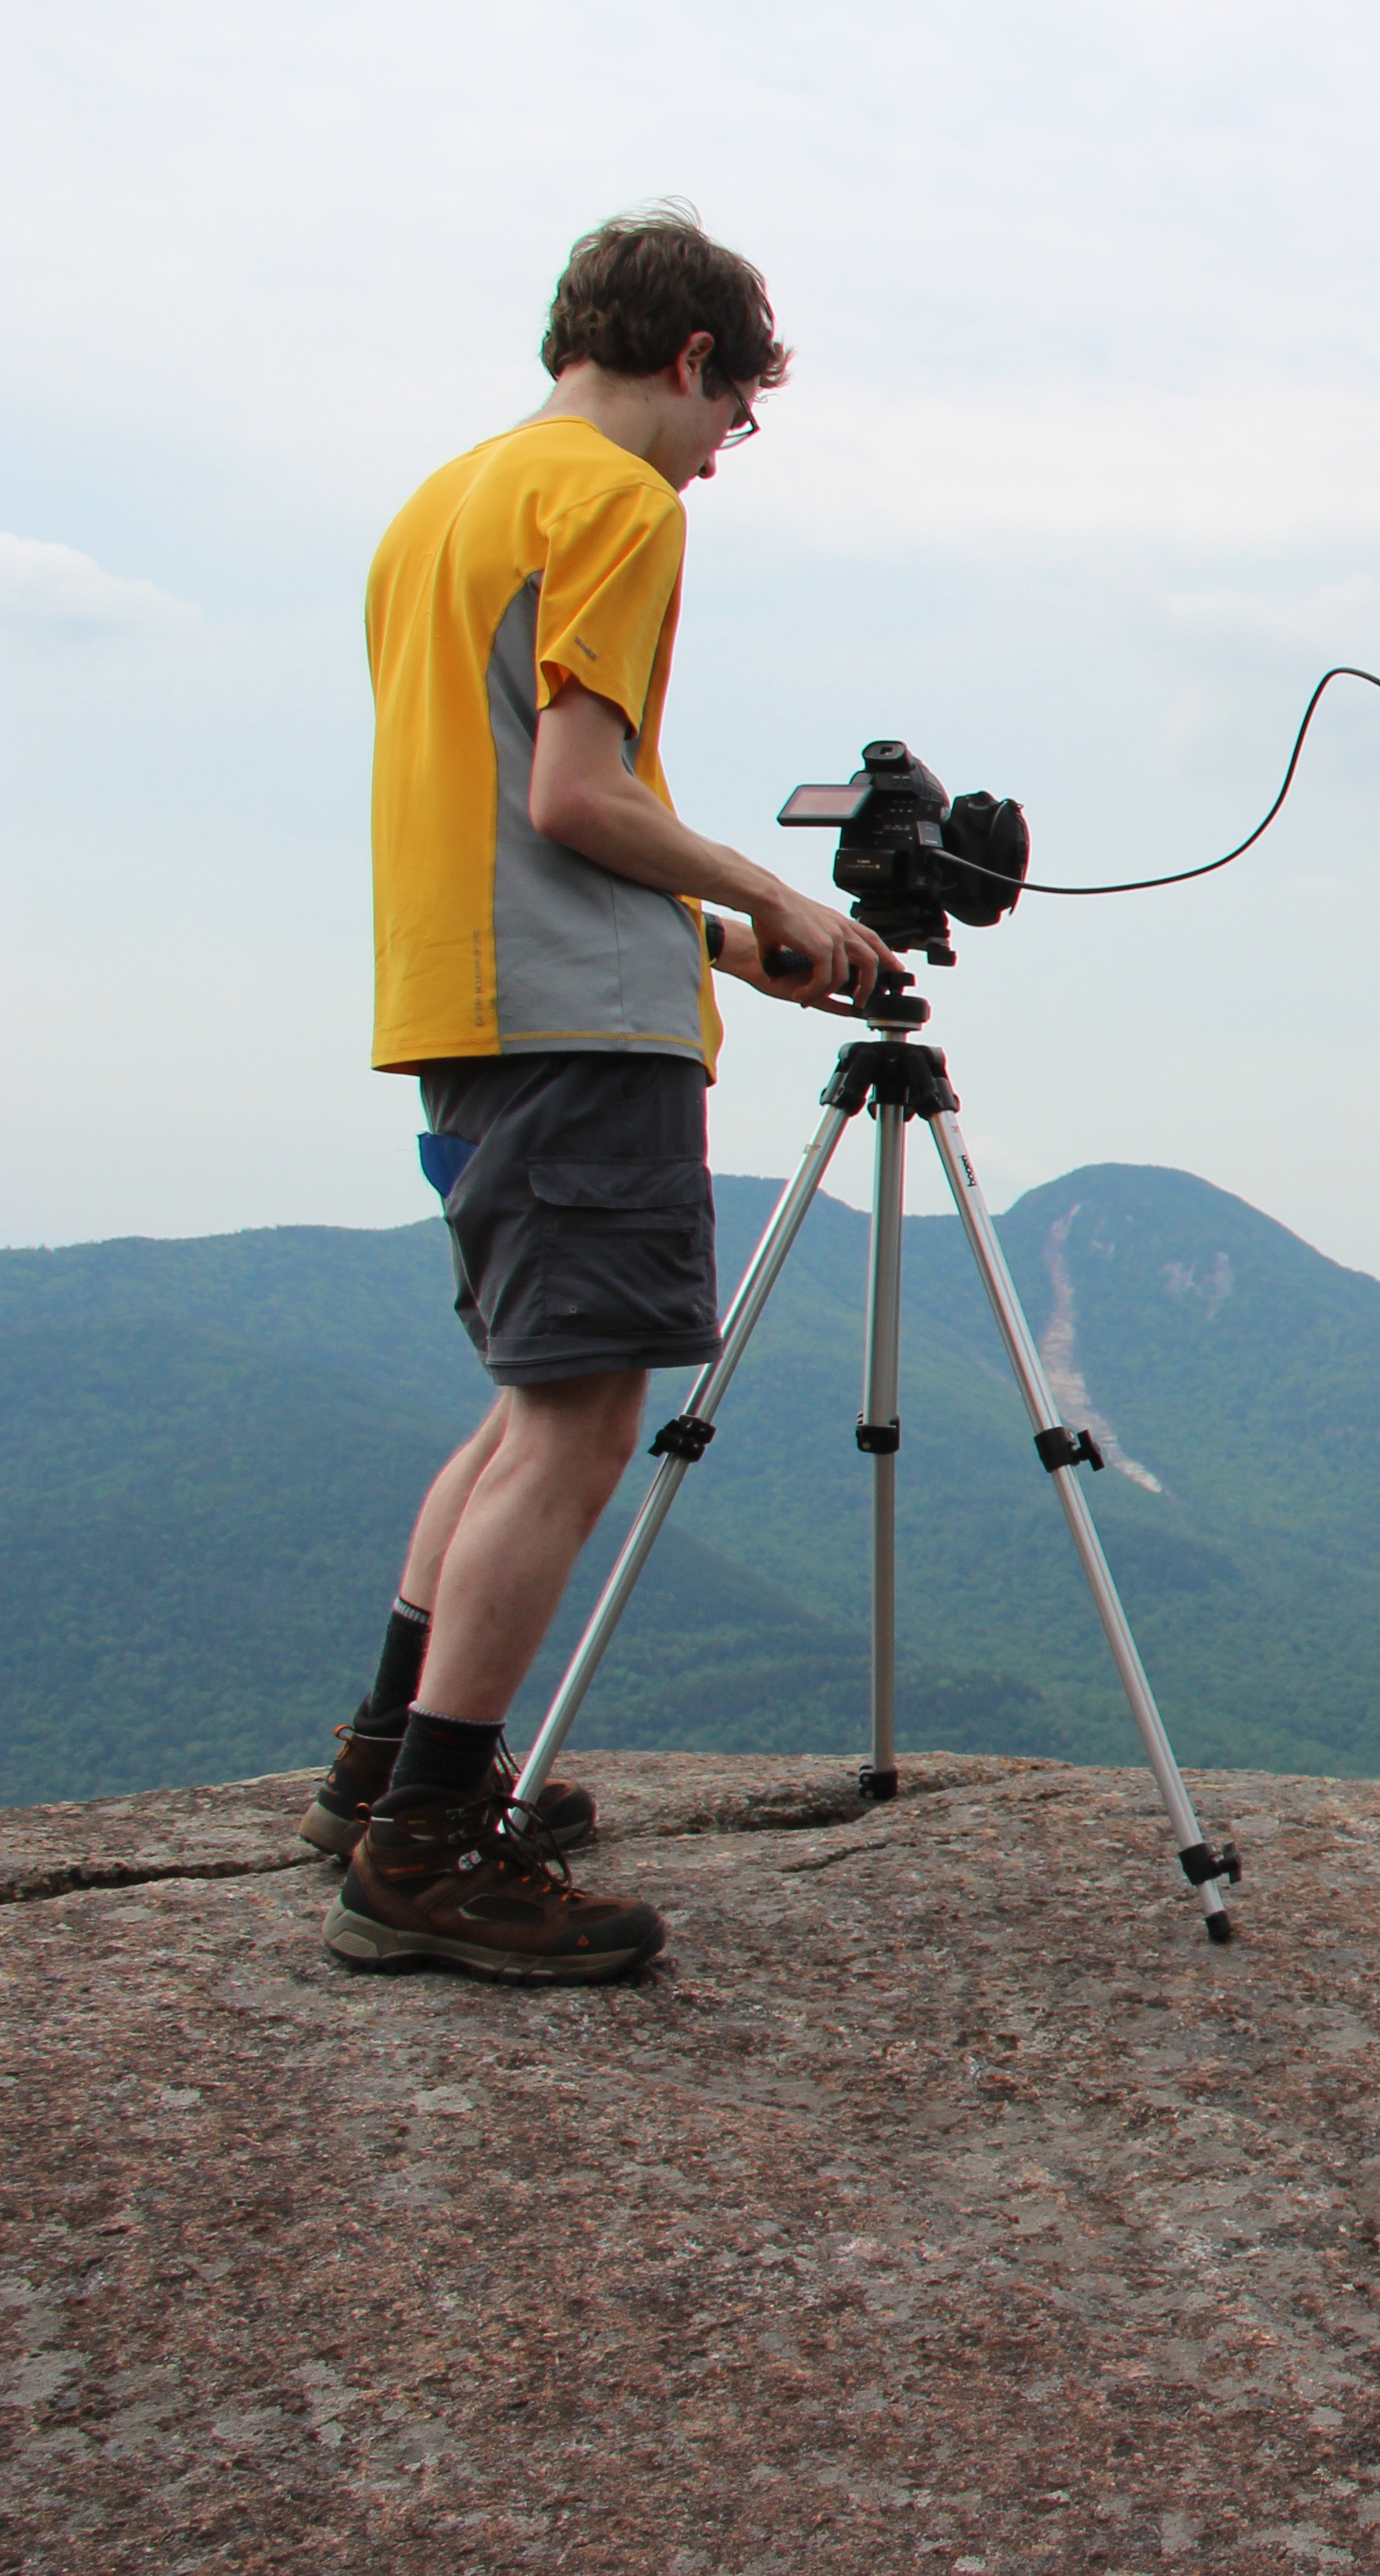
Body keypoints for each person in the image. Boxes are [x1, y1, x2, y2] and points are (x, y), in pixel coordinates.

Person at [309, 205, 895, 1981]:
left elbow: (510, 805)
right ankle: (428, 1849)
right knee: (574, 1426)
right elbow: (577, 793)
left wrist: (716, 949)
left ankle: (384, 1769)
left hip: (470, 997)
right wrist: (773, 896)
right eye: (737, 417)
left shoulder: (444, 505)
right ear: (695, 359)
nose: (722, 461)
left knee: (522, 1403)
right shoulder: (617, 505)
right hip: (574, 1030)